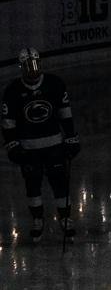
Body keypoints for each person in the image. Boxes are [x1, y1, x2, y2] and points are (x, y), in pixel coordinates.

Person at [3, 48, 79, 244]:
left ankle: (65, 217)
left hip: (54, 144)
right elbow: (8, 123)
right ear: (22, 67)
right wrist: (13, 146)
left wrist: (71, 137)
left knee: (59, 182)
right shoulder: (12, 91)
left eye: (35, 64)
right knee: (33, 185)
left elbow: (65, 113)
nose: (32, 69)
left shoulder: (54, 84)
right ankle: (37, 219)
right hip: (29, 149)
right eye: (28, 66)